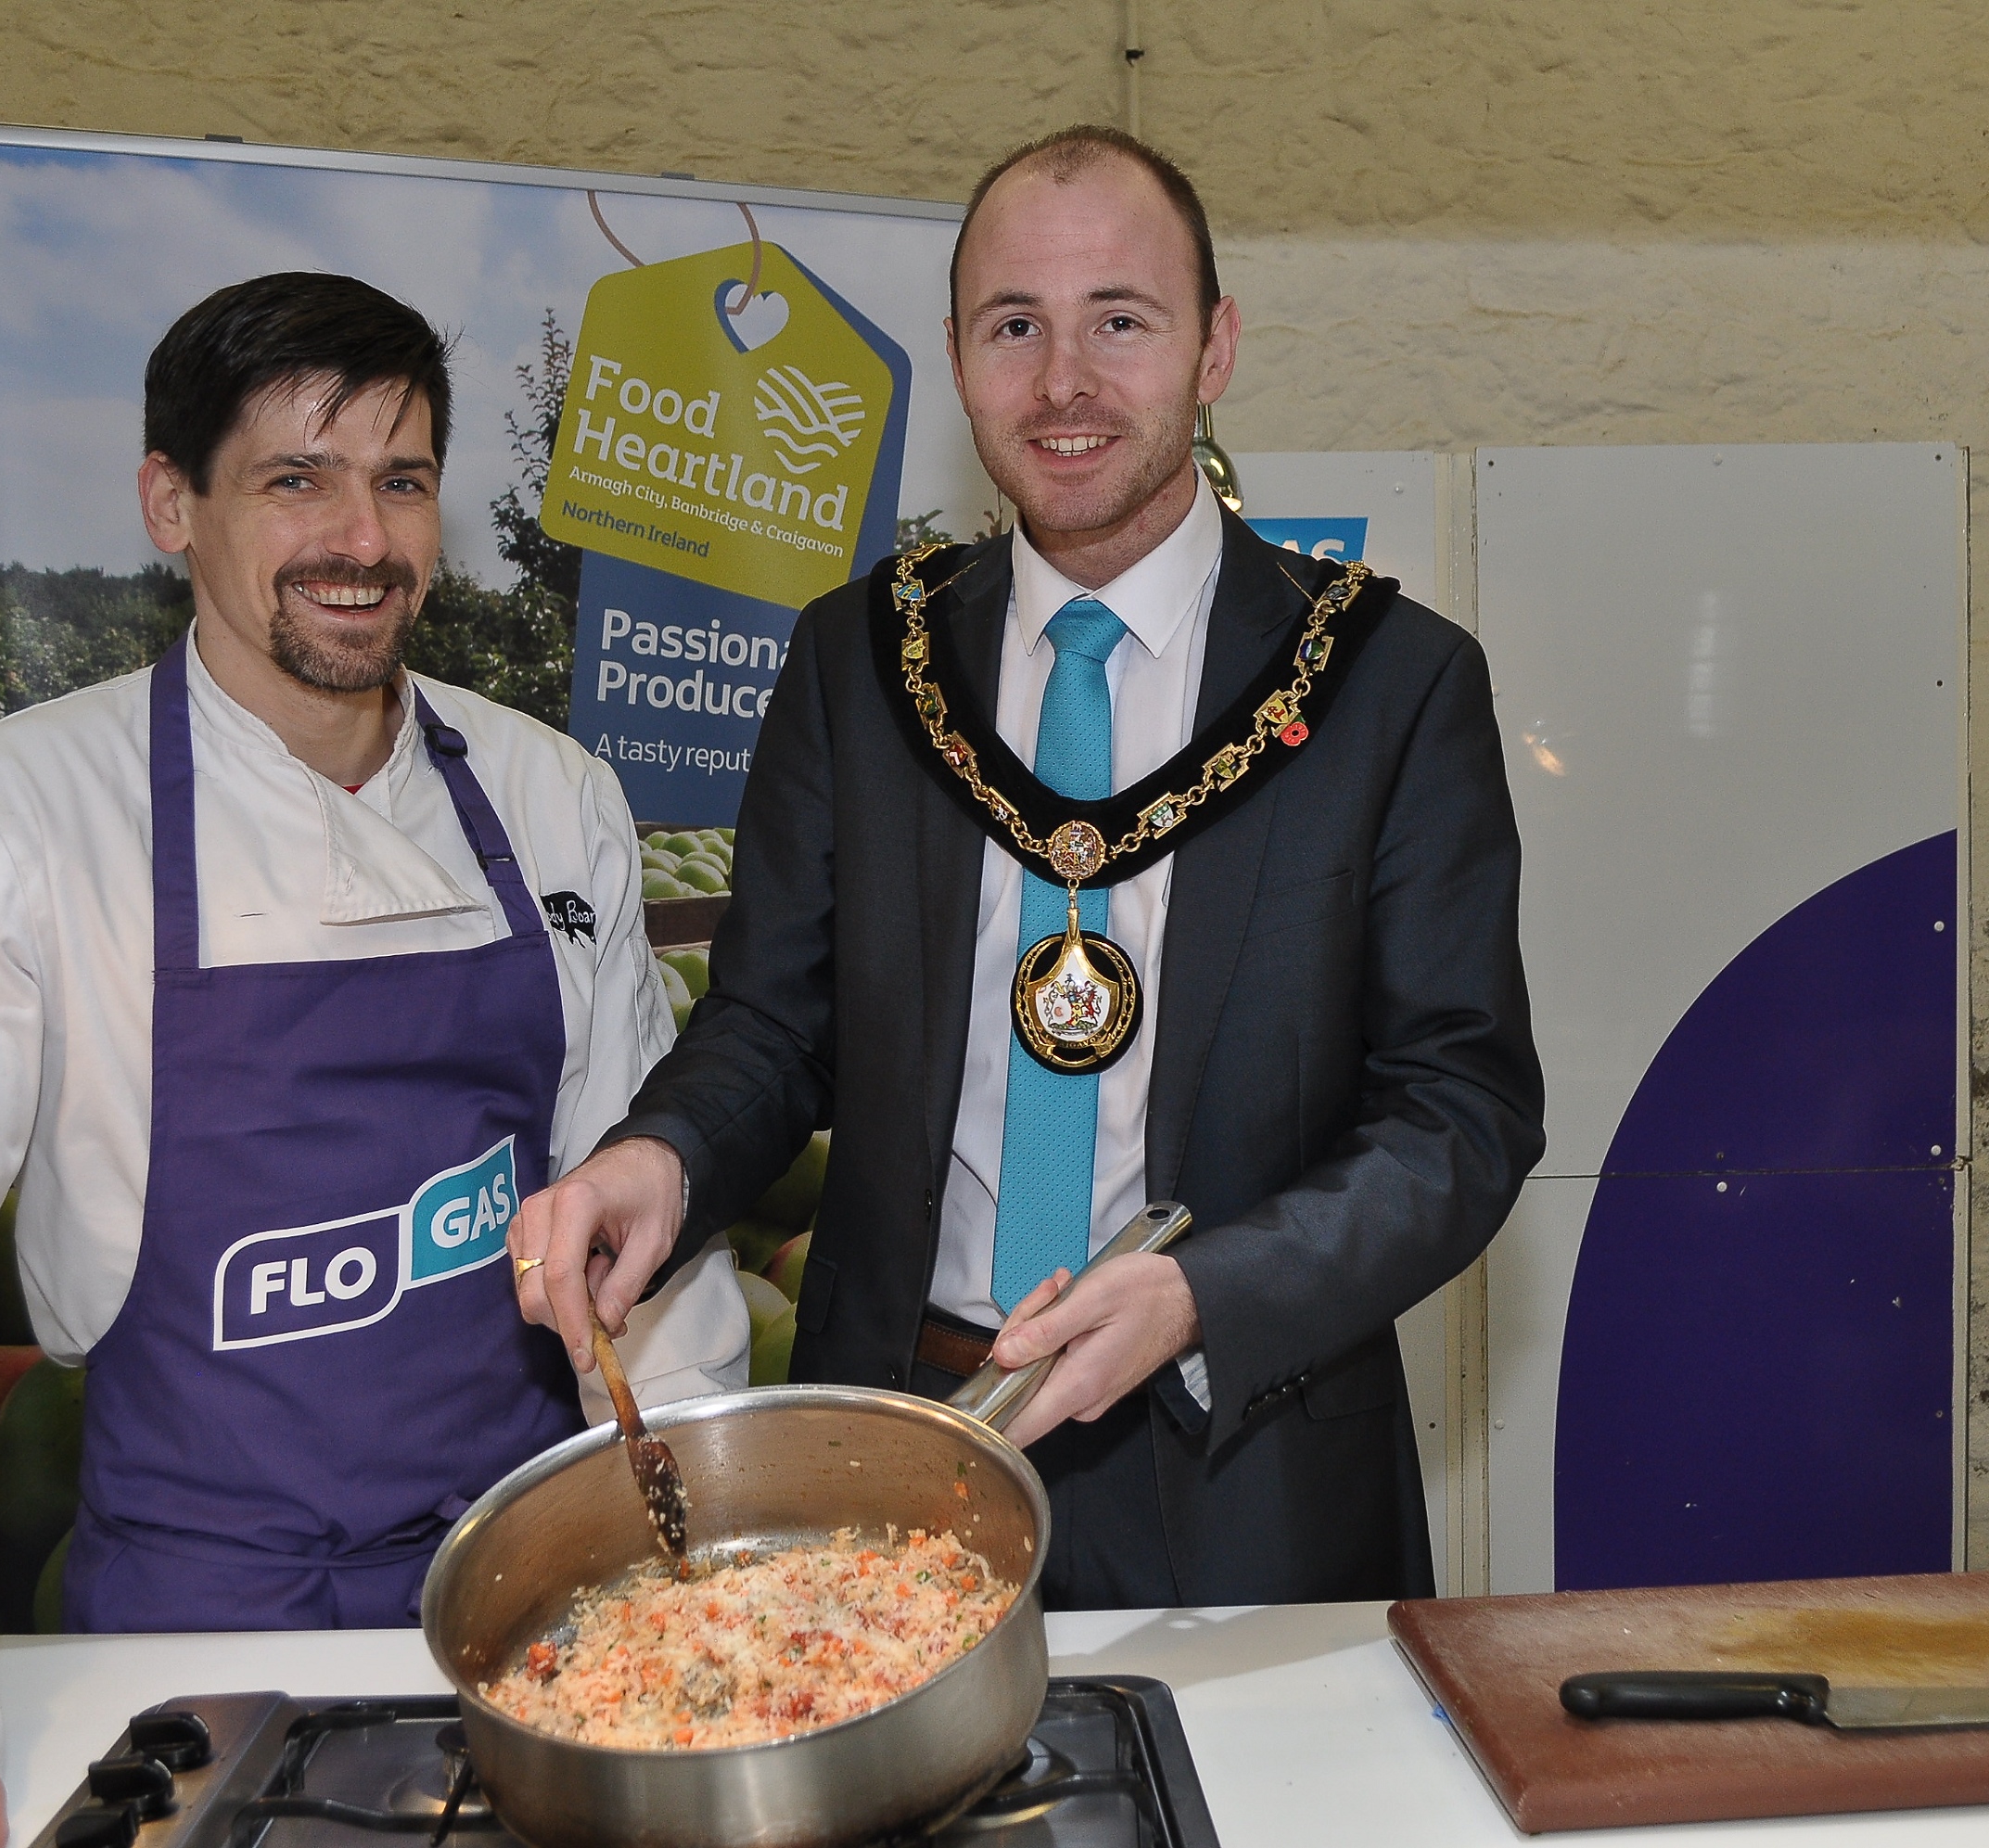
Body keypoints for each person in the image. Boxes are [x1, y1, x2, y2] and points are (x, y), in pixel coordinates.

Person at [0, 273, 746, 1848]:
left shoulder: (552, 798)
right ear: (168, 502)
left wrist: (706, 1585)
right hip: (183, 1640)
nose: (364, 537)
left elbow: (650, 1256)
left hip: (540, 1610)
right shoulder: (9, 818)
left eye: (400, 480)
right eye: (296, 479)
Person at [516, 128, 1543, 1611]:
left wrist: (1204, 1293)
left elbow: (1461, 1115)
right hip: (894, 1445)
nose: (1064, 382)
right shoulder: (859, 659)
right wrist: (655, 1158)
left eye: (1120, 321)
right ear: (956, 355)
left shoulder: (1391, 684)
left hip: (1243, 1453)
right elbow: (770, 1026)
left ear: (1215, 346)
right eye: (1016, 327)